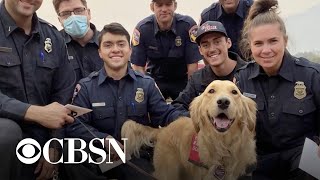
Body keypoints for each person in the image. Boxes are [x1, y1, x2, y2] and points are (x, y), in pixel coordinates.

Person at [63, 22, 183, 180]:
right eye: (108, 45)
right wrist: (104, 140)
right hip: (99, 156)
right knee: (69, 151)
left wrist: (190, 121)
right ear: (100, 52)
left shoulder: (146, 84)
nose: (115, 50)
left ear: (130, 51)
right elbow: (75, 125)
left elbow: (165, 114)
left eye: (121, 44)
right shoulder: (86, 87)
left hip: (133, 157)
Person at [234, 0, 320, 179]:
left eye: (273, 41)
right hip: (260, 156)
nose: (266, 50)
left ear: (285, 41)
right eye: (258, 43)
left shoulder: (310, 75)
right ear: (250, 45)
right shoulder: (242, 79)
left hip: (303, 151)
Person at [0, 0, 75, 180]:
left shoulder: (53, 37)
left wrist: (53, 146)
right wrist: (32, 112)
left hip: (42, 140)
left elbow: (63, 95)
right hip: (6, 139)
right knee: (8, 134)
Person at [172, 21, 247, 116]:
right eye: (205, 45)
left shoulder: (250, 74)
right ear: (200, 50)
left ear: (228, 43)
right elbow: (177, 108)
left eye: (217, 42)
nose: (212, 49)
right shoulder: (197, 79)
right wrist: (202, 119)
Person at [130, 0, 202, 100]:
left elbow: (192, 65)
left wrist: (190, 93)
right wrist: (146, 90)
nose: (164, 9)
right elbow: (138, 67)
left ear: (175, 6)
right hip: (154, 80)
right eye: (159, 5)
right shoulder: (143, 29)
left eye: (168, 4)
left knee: (188, 109)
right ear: (152, 7)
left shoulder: (187, 25)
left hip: (181, 80)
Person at [53, 0, 103, 82]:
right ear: (59, 20)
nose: (73, 17)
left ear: (89, 13)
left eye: (79, 11)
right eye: (66, 14)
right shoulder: (54, 45)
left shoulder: (108, 43)